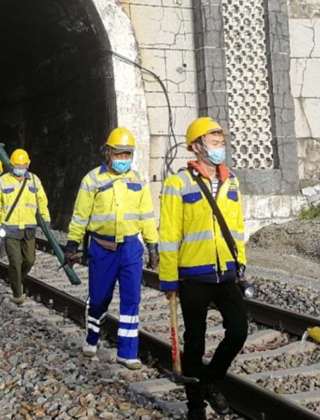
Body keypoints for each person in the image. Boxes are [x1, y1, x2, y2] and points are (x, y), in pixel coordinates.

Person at [158, 117, 249, 420]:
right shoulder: (177, 184)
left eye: (221, 142)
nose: (219, 147)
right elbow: (169, 236)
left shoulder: (231, 181)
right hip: (193, 274)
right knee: (194, 341)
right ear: (196, 147)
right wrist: (169, 278)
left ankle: (210, 380)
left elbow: (236, 228)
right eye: (214, 142)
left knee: (238, 330)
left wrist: (241, 261)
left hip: (225, 273)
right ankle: (195, 406)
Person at [63, 127, 159, 369]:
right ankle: (92, 338)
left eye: (127, 154)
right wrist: (72, 243)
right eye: (119, 154)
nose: (123, 159)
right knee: (99, 298)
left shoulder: (138, 180)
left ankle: (127, 352)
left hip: (130, 248)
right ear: (108, 153)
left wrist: (152, 246)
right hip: (102, 247)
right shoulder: (92, 180)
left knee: (131, 299)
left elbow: (147, 215)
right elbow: (80, 216)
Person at [0, 148, 50, 305]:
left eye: (23, 165)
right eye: (17, 165)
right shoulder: (2, 181)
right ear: (11, 164)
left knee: (29, 260)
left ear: (28, 164)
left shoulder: (35, 180)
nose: (20, 168)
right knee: (15, 262)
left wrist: (46, 219)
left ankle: (16, 280)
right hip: (10, 229)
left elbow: (42, 201)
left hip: (28, 228)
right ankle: (17, 293)